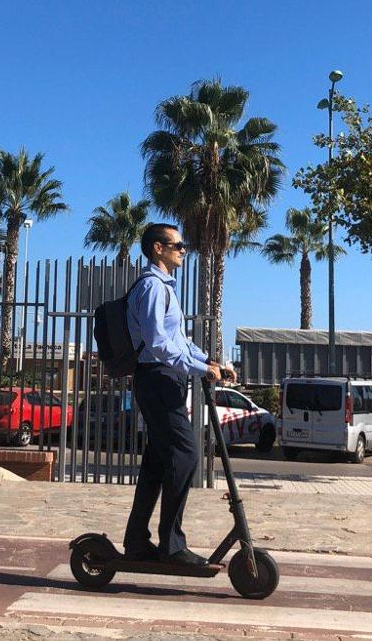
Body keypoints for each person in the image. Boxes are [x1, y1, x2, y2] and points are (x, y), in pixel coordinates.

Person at [122, 223, 233, 566]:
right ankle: (171, 546)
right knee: (185, 455)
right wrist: (201, 370)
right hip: (157, 378)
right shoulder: (153, 288)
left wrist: (211, 362)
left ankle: (137, 540)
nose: (184, 250)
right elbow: (158, 345)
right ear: (158, 248)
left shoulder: (165, 288)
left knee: (158, 462)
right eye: (177, 245)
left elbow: (180, 342)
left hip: (164, 378)